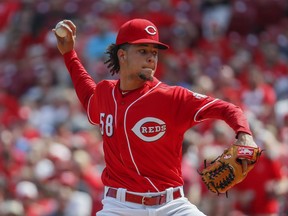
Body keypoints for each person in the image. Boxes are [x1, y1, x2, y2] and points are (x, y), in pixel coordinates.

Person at [53, 18, 258, 216]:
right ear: (122, 55)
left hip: (171, 205)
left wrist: (244, 134)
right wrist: (69, 54)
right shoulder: (106, 92)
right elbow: (88, 96)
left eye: (154, 52)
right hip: (119, 207)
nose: (151, 58)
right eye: (143, 51)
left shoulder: (171, 97)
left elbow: (228, 109)